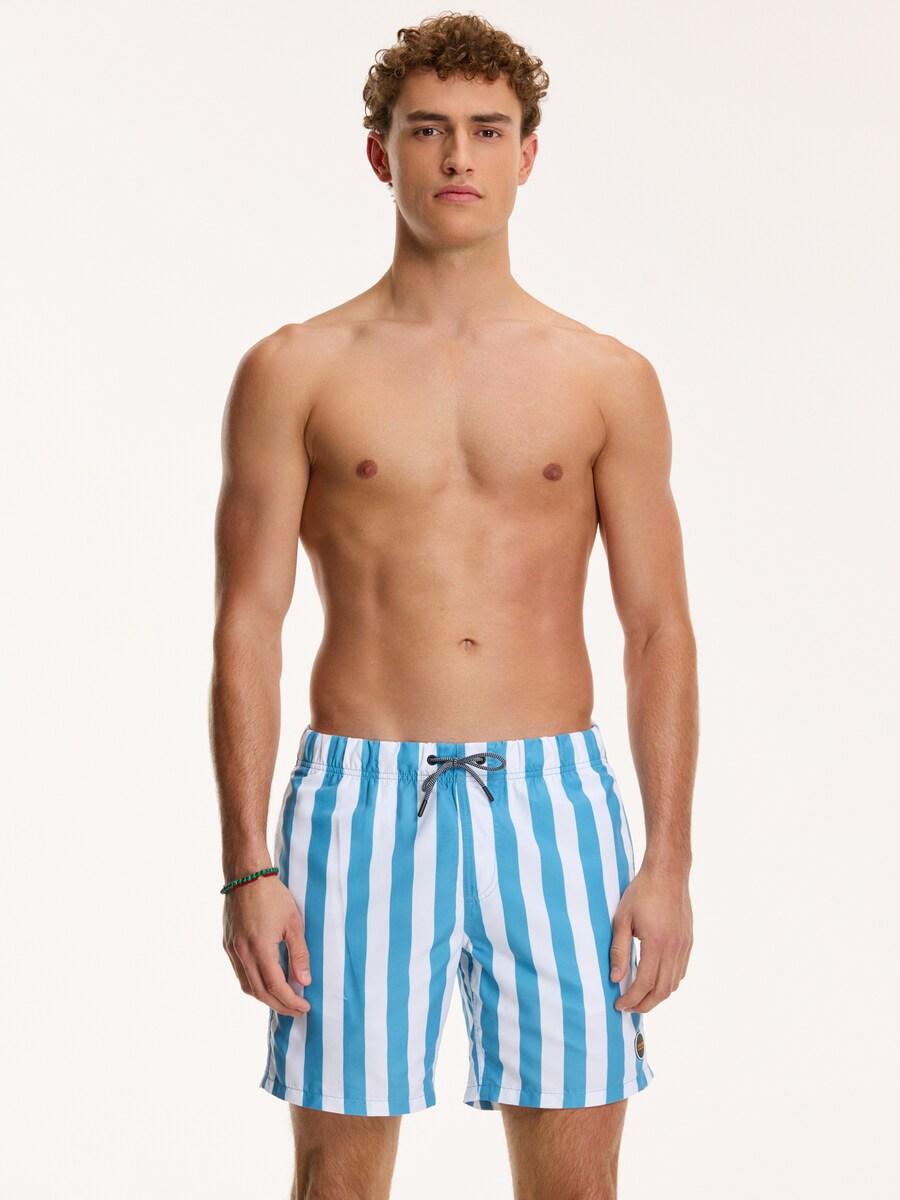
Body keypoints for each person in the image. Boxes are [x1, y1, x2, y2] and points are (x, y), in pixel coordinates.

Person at [209, 12, 697, 1199]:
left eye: (487, 130)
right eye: (429, 130)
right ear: (382, 153)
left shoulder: (607, 378)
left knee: (578, 1178)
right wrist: (247, 866)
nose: (459, 156)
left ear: (529, 154)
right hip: (358, 800)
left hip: (555, 802)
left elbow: (657, 631)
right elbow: (247, 626)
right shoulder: (295, 369)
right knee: (336, 1177)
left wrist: (669, 860)